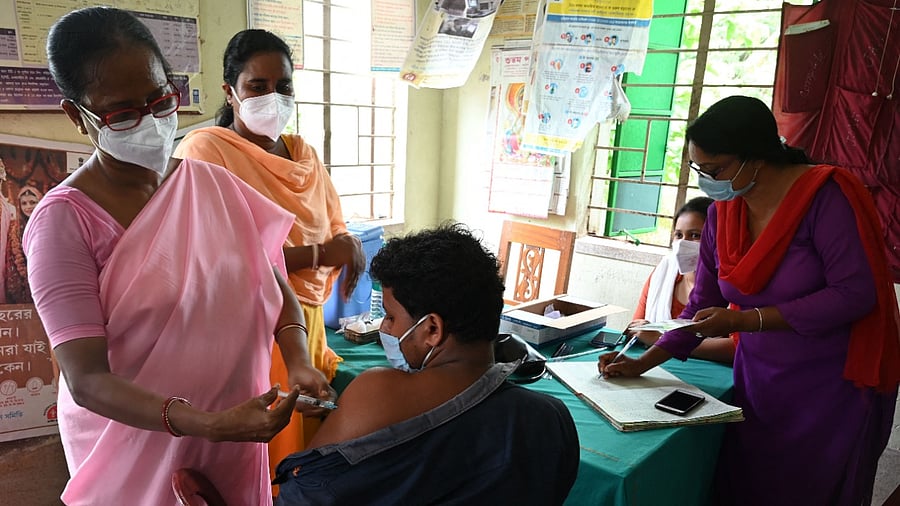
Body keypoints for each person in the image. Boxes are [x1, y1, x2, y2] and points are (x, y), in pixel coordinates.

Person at [25, 8, 332, 505]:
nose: (149, 122)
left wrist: (297, 358)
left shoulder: (214, 185)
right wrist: (206, 424)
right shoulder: (65, 222)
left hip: (235, 435)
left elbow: (273, 288)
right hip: (136, 446)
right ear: (76, 116)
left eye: (159, 100)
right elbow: (87, 380)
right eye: (122, 113)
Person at [599, 96, 900, 505]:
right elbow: (700, 304)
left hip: (829, 386)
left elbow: (854, 294)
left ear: (755, 156)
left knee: (813, 489)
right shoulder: (724, 214)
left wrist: (747, 321)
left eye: (715, 169)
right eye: (698, 169)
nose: (707, 181)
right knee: (751, 486)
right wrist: (640, 363)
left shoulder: (824, 196)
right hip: (759, 380)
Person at [273, 224, 580, 505]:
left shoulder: (377, 390)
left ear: (432, 329)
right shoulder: (552, 418)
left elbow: (301, 490)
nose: (384, 329)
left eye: (391, 317)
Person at [174, 29, 364, 479]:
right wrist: (320, 253)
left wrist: (347, 247)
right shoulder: (205, 151)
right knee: (265, 447)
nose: (271, 97)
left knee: (304, 447)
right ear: (230, 92)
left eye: (283, 87)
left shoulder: (304, 156)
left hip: (308, 321)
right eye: (257, 87)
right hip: (251, 325)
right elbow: (218, 255)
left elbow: (336, 224)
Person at [629, 196, 736, 364]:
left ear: (714, 239)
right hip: (661, 367)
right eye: (678, 235)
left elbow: (736, 348)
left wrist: (662, 339)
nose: (683, 244)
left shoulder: (732, 284)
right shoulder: (663, 274)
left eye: (695, 235)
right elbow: (639, 327)